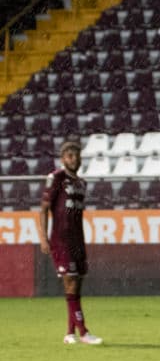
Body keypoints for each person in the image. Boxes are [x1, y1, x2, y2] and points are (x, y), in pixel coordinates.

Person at [40, 140, 102, 345]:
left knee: (77, 285)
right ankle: (83, 332)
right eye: (69, 156)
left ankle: (69, 333)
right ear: (62, 158)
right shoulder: (56, 178)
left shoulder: (81, 183)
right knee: (71, 282)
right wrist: (44, 238)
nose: (74, 159)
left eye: (76, 155)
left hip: (78, 239)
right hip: (61, 239)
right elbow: (44, 209)